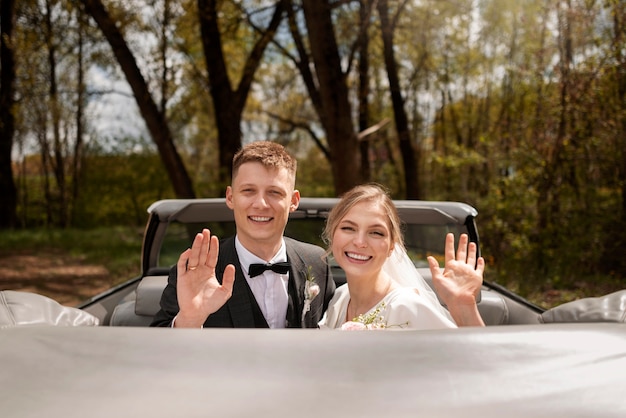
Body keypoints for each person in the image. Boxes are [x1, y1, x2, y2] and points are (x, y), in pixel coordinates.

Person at [151, 141, 336, 328]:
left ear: (294, 201)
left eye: (274, 192)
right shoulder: (193, 271)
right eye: (249, 191)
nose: (261, 204)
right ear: (230, 197)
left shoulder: (316, 262)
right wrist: (190, 319)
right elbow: (156, 348)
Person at [318, 183, 485, 330]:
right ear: (332, 234)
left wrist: (464, 308)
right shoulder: (340, 298)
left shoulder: (407, 307)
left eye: (376, 232)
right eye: (348, 228)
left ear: (392, 245)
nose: (360, 242)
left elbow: (477, 359)